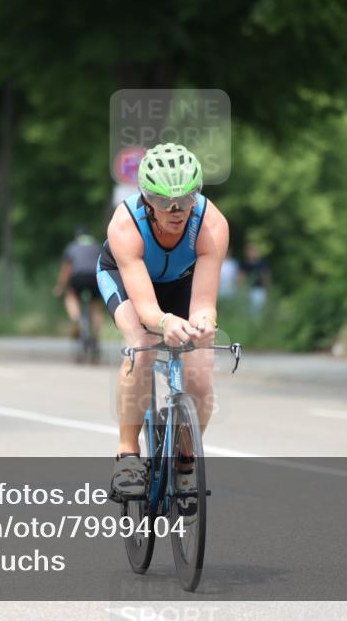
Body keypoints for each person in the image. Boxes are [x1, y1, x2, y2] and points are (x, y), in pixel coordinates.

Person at [96, 143, 228, 507]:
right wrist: (164, 322)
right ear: (145, 198)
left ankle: (185, 461)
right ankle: (127, 456)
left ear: (197, 196)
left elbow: (203, 304)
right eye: (161, 198)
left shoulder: (211, 224)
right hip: (127, 282)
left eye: (185, 199)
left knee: (200, 369)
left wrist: (203, 324)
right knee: (142, 345)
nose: (175, 210)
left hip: (181, 283)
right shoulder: (126, 225)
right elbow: (147, 309)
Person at [53, 225, 104, 342]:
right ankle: (96, 334)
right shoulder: (97, 246)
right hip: (95, 278)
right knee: (95, 308)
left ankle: (77, 319)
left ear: (77, 236)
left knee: (70, 296)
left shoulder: (72, 247)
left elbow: (66, 269)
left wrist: (60, 287)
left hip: (78, 278)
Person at [240, 241, 271, 315]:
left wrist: (267, 289)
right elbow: (241, 277)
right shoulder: (244, 264)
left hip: (259, 290)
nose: (251, 253)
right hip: (248, 290)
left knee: (258, 310)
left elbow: (266, 277)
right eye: (249, 251)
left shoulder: (262, 263)